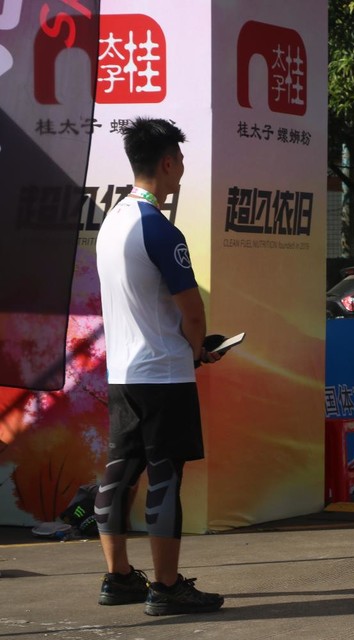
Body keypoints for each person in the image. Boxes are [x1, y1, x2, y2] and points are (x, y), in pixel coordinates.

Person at [93, 117, 225, 616]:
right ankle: (167, 587)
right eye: (182, 160)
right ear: (168, 163)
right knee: (165, 476)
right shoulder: (159, 228)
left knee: (119, 474)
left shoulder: (112, 222)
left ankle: (118, 577)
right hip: (164, 375)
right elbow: (193, 312)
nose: (183, 168)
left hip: (123, 374)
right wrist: (197, 349)